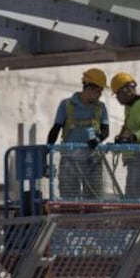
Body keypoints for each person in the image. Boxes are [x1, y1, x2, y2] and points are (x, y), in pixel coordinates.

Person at [46, 67, 110, 201]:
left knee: (94, 199)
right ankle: (71, 222)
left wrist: (97, 139)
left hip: (93, 159)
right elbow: (55, 129)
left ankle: (93, 222)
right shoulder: (67, 105)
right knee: (69, 199)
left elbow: (105, 131)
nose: (100, 95)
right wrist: (48, 151)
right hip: (70, 159)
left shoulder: (100, 108)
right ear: (89, 88)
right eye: (98, 91)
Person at [110, 71, 140, 198]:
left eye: (118, 94)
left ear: (126, 90)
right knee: (132, 195)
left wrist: (131, 138)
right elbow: (129, 127)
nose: (117, 98)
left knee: (137, 197)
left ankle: (139, 217)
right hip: (136, 159)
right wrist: (122, 139)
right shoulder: (130, 108)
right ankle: (135, 217)